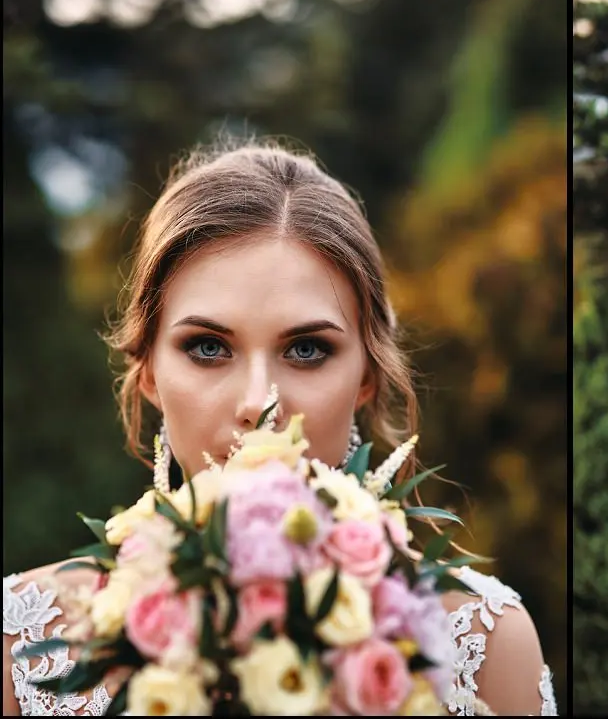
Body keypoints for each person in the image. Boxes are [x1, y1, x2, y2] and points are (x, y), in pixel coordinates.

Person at [2, 138, 558, 717]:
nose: (258, 405)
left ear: (366, 376)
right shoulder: (22, 643)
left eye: (307, 349)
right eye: (209, 347)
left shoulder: (485, 646)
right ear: (147, 372)